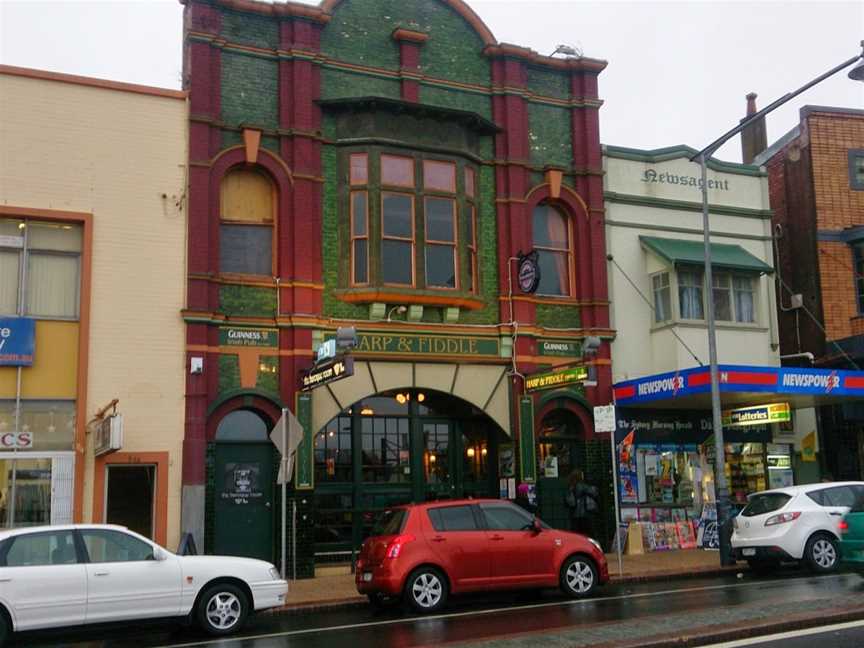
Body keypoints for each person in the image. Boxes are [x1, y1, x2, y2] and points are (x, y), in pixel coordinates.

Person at [565, 469, 598, 536]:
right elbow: (593, 492)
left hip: (575, 515)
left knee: (577, 534)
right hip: (583, 514)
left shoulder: (571, 486)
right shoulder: (581, 486)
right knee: (590, 534)